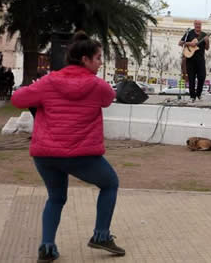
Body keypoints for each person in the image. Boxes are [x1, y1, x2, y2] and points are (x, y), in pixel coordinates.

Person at [11, 31, 124, 262]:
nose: (101, 62)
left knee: (56, 198)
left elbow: (18, 99)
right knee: (110, 183)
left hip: (46, 155)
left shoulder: (48, 81)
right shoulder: (98, 85)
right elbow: (109, 98)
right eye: (99, 57)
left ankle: (47, 247)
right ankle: (101, 235)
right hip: (81, 155)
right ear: (85, 59)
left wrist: (40, 99)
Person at [178, 20, 209, 102]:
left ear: (201, 25)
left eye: (199, 24)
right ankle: (192, 96)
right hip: (190, 59)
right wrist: (189, 43)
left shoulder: (204, 35)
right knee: (191, 78)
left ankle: (198, 94)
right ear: (194, 25)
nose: (198, 26)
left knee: (202, 77)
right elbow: (180, 43)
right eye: (196, 24)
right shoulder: (189, 33)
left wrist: (207, 41)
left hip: (200, 60)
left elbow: (207, 48)